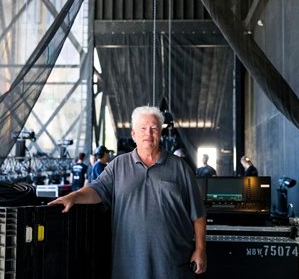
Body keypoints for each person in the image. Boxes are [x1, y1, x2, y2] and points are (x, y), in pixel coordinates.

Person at [49, 106, 207, 278]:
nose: (149, 133)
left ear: (160, 133)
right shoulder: (118, 165)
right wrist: (73, 196)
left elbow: (197, 215)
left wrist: (200, 250)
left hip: (172, 264)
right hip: (128, 265)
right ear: (133, 135)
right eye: (143, 128)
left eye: (154, 128)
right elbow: (96, 190)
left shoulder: (180, 168)